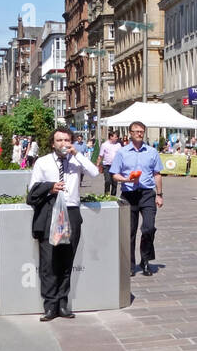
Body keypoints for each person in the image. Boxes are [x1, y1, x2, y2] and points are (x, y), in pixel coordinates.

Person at [28, 127, 99, 320]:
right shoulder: (43, 162)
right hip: (51, 211)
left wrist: (78, 154)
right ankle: (50, 305)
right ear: (53, 143)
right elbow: (32, 189)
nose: (64, 144)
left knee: (67, 260)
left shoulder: (76, 160)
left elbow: (94, 172)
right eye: (59, 140)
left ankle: (63, 303)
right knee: (49, 261)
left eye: (67, 140)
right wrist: (50, 187)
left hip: (71, 211)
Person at [111, 122, 163, 276]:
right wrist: (126, 180)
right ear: (130, 133)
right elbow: (114, 174)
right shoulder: (122, 152)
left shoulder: (152, 152)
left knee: (149, 228)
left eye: (142, 131)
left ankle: (145, 260)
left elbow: (157, 174)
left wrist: (159, 194)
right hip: (129, 194)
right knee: (129, 231)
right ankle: (130, 265)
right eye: (136, 131)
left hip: (147, 194)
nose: (139, 134)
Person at [98, 130, 122, 196]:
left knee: (115, 182)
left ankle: (113, 196)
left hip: (115, 166)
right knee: (107, 181)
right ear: (111, 137)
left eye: (117, 137)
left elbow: (121, 155)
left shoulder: (118, 145)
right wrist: (98, 165)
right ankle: (107, 195)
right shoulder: (104, 145)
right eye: (115, 137)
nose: (117, 138)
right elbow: (100, 156)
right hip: (107, 166)